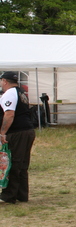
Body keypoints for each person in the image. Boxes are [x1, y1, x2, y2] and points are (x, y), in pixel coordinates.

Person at [0, 71, 36, 204]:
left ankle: (10, 195)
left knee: (14, 163)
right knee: (22, 164)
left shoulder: (9, 93)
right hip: (27, 130)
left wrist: (2, 132)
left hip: (17, 132)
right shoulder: (21, 92)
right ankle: (22, 194)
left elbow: (9, 114)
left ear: (4, 81)